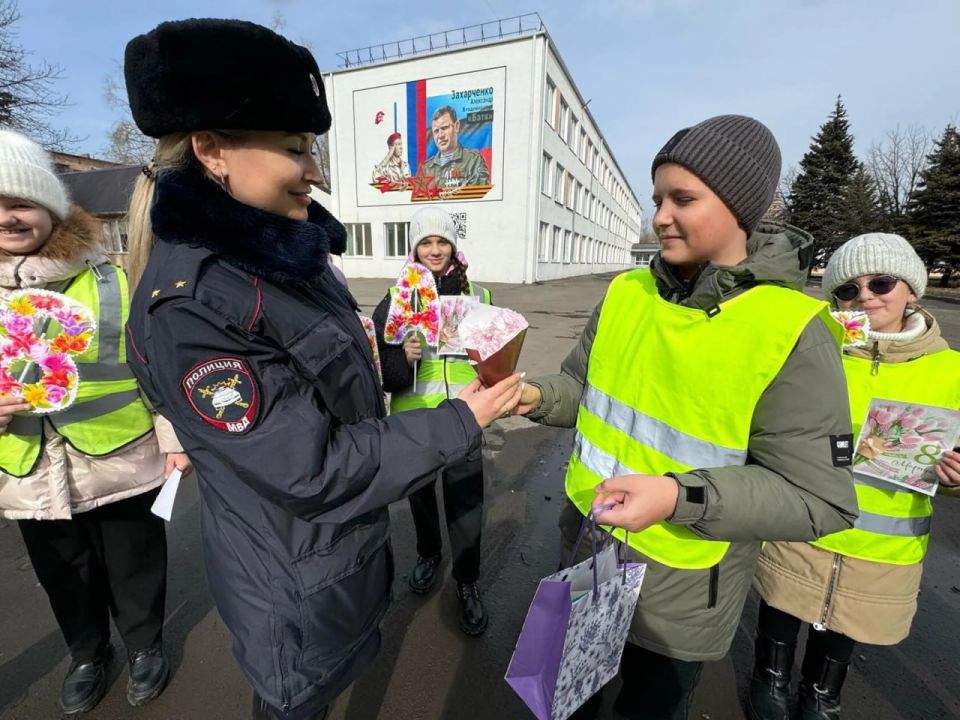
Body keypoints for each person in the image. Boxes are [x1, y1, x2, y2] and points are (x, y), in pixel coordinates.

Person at [120, 19, 521, 720]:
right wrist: (464, 418)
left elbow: (346, 380)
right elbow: (309, 468)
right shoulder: (197, 302)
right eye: (293, 149)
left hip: (338, 557)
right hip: (294, 588)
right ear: (213, 150)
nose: (317, 171)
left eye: (313, 148)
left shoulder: (284, 264)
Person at [515, 115, 859, 720]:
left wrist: (678, 498)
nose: (660, 216)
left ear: (740, 209)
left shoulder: (792, 330)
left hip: (682, 589)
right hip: (591, 546)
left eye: (684, 199)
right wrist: (532, 396)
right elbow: (579, 387)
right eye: (657, 199)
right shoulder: (626, 293)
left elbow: (818, 497)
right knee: (567, 700)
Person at [0, 128, 190, 714]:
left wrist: (174, 437)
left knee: (136, 562)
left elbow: (156, 363)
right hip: (25, 468)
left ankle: (144, 647)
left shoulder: (111, 277)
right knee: (64, 572)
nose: (8, 218)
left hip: (121, 456)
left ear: (51, 207)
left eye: (20, 202)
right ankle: (88, 653)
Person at [749, 233, 960, 720]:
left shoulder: (949, 371)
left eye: (881, 282)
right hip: (802, 523)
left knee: (847, 621)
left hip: (883, 544)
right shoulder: (816, 353)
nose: (865, 295)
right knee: (782, 602)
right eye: (848, 289)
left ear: (911, 290)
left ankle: (823, 692)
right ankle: (771, 678)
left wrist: (952, 477)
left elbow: (951, 460)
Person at [372, 206, 492, 635]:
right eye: (427, 242)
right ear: (415, 247)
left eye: (442, 242)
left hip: (464, 415)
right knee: (421, 498)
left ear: (453, 247)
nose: (435, 250)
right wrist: (400, 356)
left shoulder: (478, 294)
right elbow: (378, 359)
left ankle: (467, 581)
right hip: (415, 419)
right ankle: (427, 554)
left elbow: (492, 353)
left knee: (465, 503)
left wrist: (493, 380)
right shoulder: (398, 294)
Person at [419, 106, 490, 190]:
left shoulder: (473, 160)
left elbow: (479, 197)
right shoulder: (425, 169)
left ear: (456, 126)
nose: (440, 135)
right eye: (436, 131)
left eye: (444, 128)